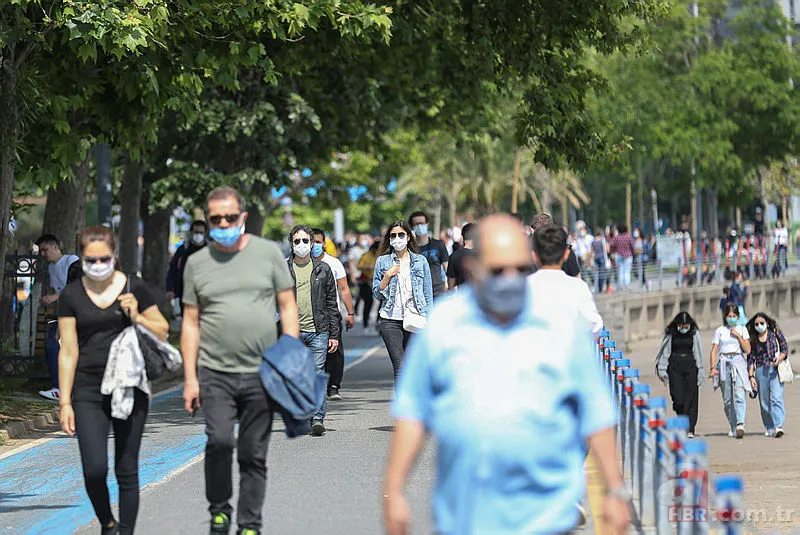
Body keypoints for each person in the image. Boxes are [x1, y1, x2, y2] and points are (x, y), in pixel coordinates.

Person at [383, 215, 630, 535]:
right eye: (499, 270)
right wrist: (395, 491)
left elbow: (595, 410)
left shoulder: (559, 324)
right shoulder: (445, 325)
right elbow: (413, 413)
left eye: (520, 269)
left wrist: (614, 490)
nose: (511, 278)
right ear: (473, 268)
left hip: (546, 517)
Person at [181, 186, 299, 535]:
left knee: (252, 453)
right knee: (219, 441)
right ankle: (219, 511)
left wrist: (289, 359)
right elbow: (189, 323)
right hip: (214, 373)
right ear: (207, 220)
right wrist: (190, 378)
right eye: (215, 218)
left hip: (262, 372)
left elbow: (288, 306)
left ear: (242, 218)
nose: (223, 223)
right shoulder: (196, 263)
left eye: (230, 217)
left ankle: (249, 524)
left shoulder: (267, 254)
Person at [58, 225, 169, 535]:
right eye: (90, 260)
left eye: (103, 258)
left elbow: (161, 330)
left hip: (129, 386)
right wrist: (65, 401)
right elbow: (68, 349)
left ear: (114, 255)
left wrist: (137, 315)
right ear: (81, 258)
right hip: (87, 390)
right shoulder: (70, 295)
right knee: (94, 469)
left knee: (126, 467)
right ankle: (108, 523)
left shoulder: (135, 287)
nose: (97, 265)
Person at [287, 225, 340, 436]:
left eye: (305, 241)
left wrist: (334, 334)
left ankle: (317, 419)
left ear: (312, 243)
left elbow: (331, 303)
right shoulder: (284, 269)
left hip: (319, 330)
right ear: (291, 244)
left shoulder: (323, 269)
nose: (301, 245)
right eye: (297, 241)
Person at [373, 220, 433, 382]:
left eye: (401, 234)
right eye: (393, 235)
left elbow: (427, 293)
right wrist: (387, 276)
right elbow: (377, 295)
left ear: (408, 237)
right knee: (400, 366)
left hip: (416, 317)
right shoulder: (382, 262)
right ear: (389, 239)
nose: (397, 238)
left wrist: (429, 318)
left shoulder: (420, 261)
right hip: (390, 319)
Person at [528, 224, 604, 334]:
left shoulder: (524, 287)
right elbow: (595, 325)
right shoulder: (577, 287)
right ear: (566, 254)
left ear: (534, 256)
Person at [36, 234, 80, 401]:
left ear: (55, 247)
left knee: (56, 346)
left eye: (45, 250)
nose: (43, 254)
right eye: (40, 251)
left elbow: (76, 286)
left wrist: (54, 297)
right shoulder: (51, 268)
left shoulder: (72, 261)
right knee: (52, 346)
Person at [312, 228, 355, 401]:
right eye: (311, 241)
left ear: (324, 243)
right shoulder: (295, 263)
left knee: (334, 351)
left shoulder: (333, 263)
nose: (314, 245)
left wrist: (350, 312)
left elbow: (344, 289)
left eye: (318, 241)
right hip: (307, 315)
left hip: (331, 313)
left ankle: (333, 386)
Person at [655, 312, 704, 437]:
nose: (684, 329)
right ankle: (682, 420)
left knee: (691, 398)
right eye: (681, 326)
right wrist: (662, 369)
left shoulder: (694, 333)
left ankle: (690, 428)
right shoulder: (671, 334)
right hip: (675, 367)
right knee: (678, 398)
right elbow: (665, 353)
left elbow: (698, 352)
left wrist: (701, 370)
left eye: (686, 326)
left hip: (690, 366)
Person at [710, 304, 753, 439]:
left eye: (734, 316)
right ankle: (733, 425)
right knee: (727, 399)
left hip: (738, 361)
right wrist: (712, 368)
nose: (732, 319)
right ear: (725, 316)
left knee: (740, 393)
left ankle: (740, 424)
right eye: (729, 316)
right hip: (724, 363)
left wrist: (738, 336)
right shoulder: (720, 331)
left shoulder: (742, 329)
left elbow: (748, 350)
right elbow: (714, 350)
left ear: (738, 317)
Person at [746, 313, 788, 438]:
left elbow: (785, 349)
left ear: (767, 323)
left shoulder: (775, 334)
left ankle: (778, 425)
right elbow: (750, 358)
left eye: (762, 323)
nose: (759, 326)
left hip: (775, 369)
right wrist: (751, 377)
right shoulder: (753, 339)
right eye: (757, 324)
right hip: (760, 371)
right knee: (764, 401)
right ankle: (769, 426)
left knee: (776, 398)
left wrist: (779, 358)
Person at [166, 220, 208, 315]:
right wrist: (170, 289)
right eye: (196, 232)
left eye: (201, 232)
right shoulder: (183, 250)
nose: (198, 235)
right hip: (184, 292)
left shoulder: (210, 249)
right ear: (192, 232)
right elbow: (173, 270)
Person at [409, 211, 449, 299]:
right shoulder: (409, 248)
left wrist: (448, 286)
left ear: (427, 225)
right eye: (416, 224)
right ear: (412, 227)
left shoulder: (439, 245)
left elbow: (447, 267)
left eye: (422, 223)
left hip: (438, 291)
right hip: (417, 293)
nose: (419, 226)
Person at [445, 222, 476, 291]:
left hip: (463, 298)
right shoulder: (484, 256)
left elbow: (451, 285)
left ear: (462, 237)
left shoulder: (454, 256)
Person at [356, 241, 380, 329]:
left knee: (381, 301)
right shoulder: (366, 255)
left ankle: (379, 320)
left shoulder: (379, 256)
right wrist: (367, 267)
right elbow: (359, 266)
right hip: (367, 281)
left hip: (378, 281)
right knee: (368, 301)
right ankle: (365, 320)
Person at [610, 224, 635, 292]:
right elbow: (632, 246)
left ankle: (620, 288)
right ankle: (627, 287)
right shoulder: (629, 236)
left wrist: (614, 250)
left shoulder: (616, 237)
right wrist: (633, 253)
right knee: (627, 271)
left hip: (619, 255)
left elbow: (611, 245)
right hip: (628, 255)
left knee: (620, 272)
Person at [592, 229, 609, 293]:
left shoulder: (593, 241)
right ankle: (600, 288)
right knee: (601, 274)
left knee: (595, 274)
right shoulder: (602, 240)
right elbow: (607, 249)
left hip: (595, 258)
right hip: (602, 258)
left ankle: (595, 287)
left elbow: (592, 251)